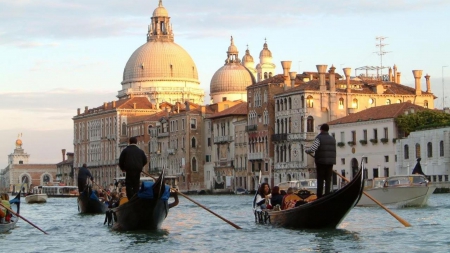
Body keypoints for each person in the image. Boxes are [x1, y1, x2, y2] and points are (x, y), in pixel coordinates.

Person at [305, 123, 336, 199]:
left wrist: (307, 150)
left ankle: (319, 196)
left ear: (321, 130)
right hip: (330, 162)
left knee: (320, 179)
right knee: (328, 179)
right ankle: (327, 194)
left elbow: (313, 148)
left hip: (321, 161)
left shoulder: (319, 138)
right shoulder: (332, 139)